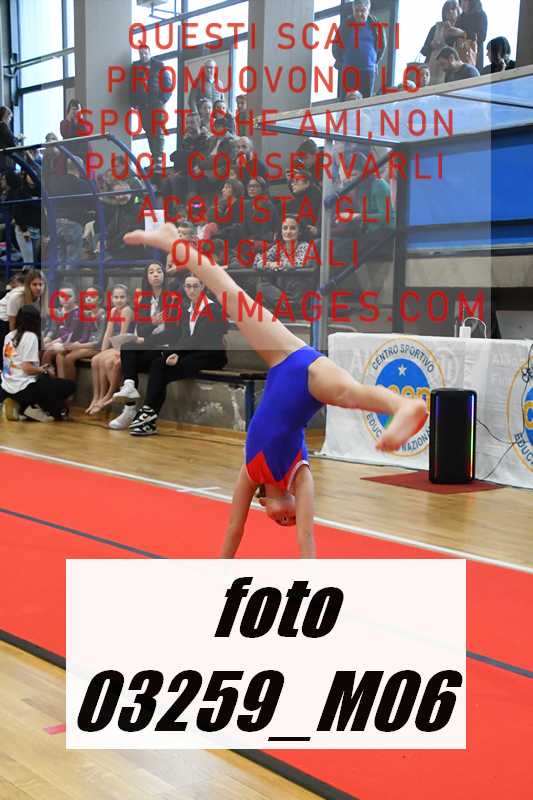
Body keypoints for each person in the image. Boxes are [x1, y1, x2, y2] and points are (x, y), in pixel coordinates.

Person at [123, 223, 427, 556]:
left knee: (231, 296)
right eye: (291, 519)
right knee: (348, 395)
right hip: (308, 377)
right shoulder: (300, 475)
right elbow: (307, 539)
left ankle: (174, 243)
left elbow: (234, 528)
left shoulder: (250, 472)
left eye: (280, 520)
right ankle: (404, 406)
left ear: (263, 503)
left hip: (281, 360)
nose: (289, 520)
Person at [114, 272, 228, 436]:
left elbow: (199, 339)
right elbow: (184, 337)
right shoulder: (188, 309)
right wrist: (175, 352)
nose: (191, 290)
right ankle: (139, 404)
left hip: (209, 356)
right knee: (149, 360)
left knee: (159, 365)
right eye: (188, 286)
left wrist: (176, 352)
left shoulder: (213, 309)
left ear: (203, 287)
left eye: (195, 286)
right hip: (190, 352)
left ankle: (148, 414)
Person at [108, 262, 174, 430]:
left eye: (159, 271)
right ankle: (129, 400)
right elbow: (143, 329)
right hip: (150, 346)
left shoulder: (172, 298)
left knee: (141, 363)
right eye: (151, 272)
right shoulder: (144, 299)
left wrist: (146, 341)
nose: (156, 274)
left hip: (165, 347)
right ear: (146, 277)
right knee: (127, 348)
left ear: (164, 275)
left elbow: (173, 333)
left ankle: (137, 410)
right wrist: (153, 322)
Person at [1, 305, 75, 422]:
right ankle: (36, 408)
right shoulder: (30, 337)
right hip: (23, 388)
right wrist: (43, 369)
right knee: (69, 385)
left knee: (46, 382)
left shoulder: (9, 336)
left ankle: (19, 405)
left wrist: (40, 369)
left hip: (6, 387)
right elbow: (27, 368)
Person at [86, 284, 134, 414]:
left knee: (105, 361)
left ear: (128, 298)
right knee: (95, 360)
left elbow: (123, 335)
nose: (119, 300)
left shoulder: (127, 310)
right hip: (115, 345)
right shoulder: (113, 311)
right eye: (116, 297)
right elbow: (108, 333)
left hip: (125, 345)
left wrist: (115, 352)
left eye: (122, 297)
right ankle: (97, 396)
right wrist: (102, 351)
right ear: (111, 298)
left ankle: (109, 394)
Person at [332, 0, 387, 99]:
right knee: (346, 100)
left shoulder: (375, 25)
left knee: (366, 101)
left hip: (368, 70)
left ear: (368, 10)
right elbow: (336, 46)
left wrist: (374, 61)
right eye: (356, 11)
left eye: (362, 11)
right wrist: (342, 61)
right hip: (348, 70)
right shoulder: (345, 25)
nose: (359, 14)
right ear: (353, 10)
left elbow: (382, 46)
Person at [130, 44, 173, 167]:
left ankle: (158, 158)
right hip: (143, 105)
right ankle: (154, 157)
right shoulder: (135, 67)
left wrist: (162, 99)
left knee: (158, 129)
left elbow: (168, 85)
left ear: (149, 53)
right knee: (148, 130)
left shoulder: (159, 65)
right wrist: (134, 103)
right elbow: (131, 86)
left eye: (145, 53)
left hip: (157, 104)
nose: (143, 55)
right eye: (141, 54)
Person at [420, 1, 462, 86]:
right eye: (447, 10)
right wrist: (432, 45)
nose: (450, 12)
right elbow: (424, 51)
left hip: (451, 70)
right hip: (433, 69)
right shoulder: (436, 28)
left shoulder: (461, 30)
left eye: (453, 9)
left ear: (459, 11)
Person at [455, 0, 488, 72]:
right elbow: (455, 39)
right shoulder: (460, 17)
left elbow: (482, 36)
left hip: (475, 55)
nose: (463, 4)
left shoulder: (481, 15)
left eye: (465, 1)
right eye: (461, 1)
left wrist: (463, 33)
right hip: (460, 55)